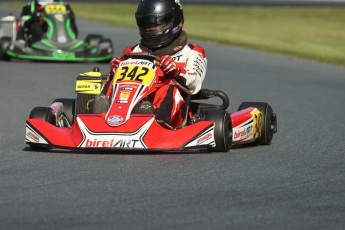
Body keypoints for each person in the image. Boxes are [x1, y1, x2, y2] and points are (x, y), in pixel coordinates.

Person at [99, 0, 207, 128]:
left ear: (175, 21)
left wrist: (175, 72)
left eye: (157, 23)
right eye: (146, 24)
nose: (151, 29)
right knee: (109, 82)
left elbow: (194, 85)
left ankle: (154, 118)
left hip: (171, 115)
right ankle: (97, 115)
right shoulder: (133, 51)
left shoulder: (192, 52)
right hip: (131, 104)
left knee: (171, 87)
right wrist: (114, 72)